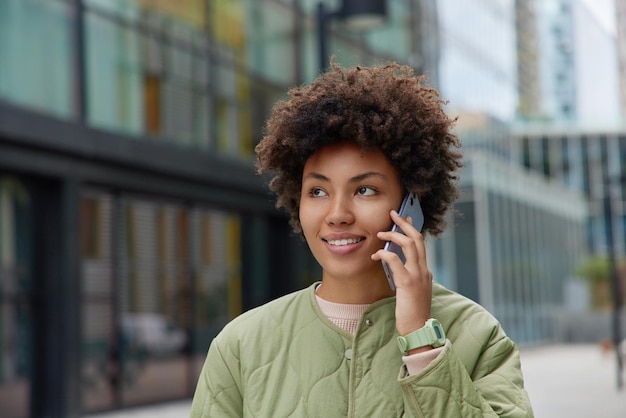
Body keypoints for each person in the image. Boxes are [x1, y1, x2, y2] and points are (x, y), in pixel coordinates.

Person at [190, 62, 534, 417]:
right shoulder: (242, 345)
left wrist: (422, 343)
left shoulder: (476, 333)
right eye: (318, 191)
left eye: (365, 189)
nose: (337, 213)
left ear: (411, 202)